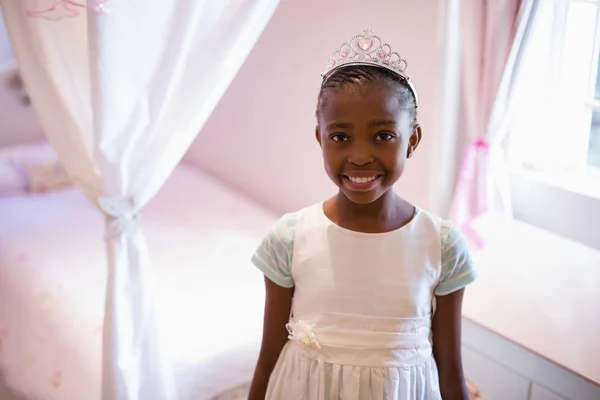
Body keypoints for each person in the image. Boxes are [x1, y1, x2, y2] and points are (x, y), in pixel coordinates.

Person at [248, 29, 477, 400]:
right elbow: (268, 357)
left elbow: (450, 369)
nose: (359, 156)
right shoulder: (288, 239)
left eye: (383, 136)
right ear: (321, 138)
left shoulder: (442, 246)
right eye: (340, 137)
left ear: (413, 140)